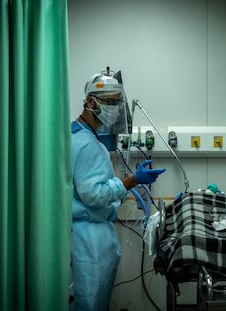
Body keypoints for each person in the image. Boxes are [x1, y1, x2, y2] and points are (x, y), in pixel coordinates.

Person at [71, 69, 165, 311]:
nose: (114, 108)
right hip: (88, 240)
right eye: (109, 102)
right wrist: (132, 180)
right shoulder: (87, 144)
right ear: (90, 102)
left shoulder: (75, 136)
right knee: (89, 303)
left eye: (117, 103)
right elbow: (94, 195)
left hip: (82, 234)